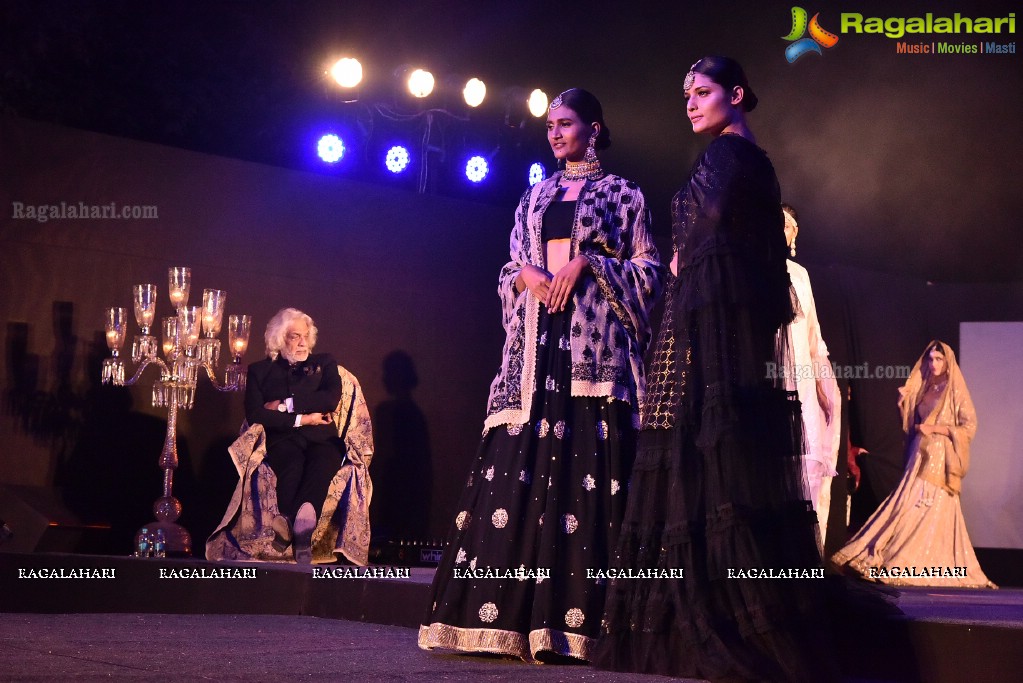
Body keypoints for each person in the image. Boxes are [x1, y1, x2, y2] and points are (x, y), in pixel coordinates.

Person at [594, 56, 837, 682]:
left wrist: (686, 299)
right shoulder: (751, 161)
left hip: (706, 333)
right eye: (686, 95)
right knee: (717, 464)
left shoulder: (727, 159)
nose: (691, 104)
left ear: (736, 93)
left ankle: (710, 613)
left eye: (702, 92)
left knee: (700, 457)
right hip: (719, 331)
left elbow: (715, 250)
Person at [418, 88, 664, 662]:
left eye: (566, 124)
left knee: (588, 468)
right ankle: (503, 621)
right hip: (535, 347)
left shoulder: (623, 194)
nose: (554, 134)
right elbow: (510, 263)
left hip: (591, 347)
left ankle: (581, 625)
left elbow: (648, 269)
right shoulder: (534, 195)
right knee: (518, 468)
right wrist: (525, 275)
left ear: (594, 129)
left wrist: (588, 263)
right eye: (550, 125)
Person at [830, 341, 996, 588]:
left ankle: (908, 562)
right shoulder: (926, 386)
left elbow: (968, 426)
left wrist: (936, 429)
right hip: (918, 453)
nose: (934, 364)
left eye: (939, 359)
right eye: (930, 359)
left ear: (948, 361)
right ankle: (884, 556)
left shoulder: (954, 389)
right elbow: (911, 427)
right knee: (905, 503)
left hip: (939, 455)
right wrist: (901, 406)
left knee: (925, 503)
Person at [243, 308, 343, 564]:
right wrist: (304, 418)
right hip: (283, 438)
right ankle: (302, 535)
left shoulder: (324, 363)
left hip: (322, 437)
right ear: (278, 338)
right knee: (291, 465)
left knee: (322, 463)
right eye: (294, 336)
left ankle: (292, 525)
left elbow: (330, 398)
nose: (302, 343)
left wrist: (285, 405)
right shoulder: (259, 371)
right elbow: (256, 414)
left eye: (305, 336)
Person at [781, 202, 842, 549]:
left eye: (787, 225)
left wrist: (822, 385)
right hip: (768, 378)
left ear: (795, 233)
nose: (780, 230)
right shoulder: (752, 270)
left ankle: (804, 555)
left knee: (805, 466)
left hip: (802, 378)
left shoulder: (800, 275)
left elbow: (814, 336)